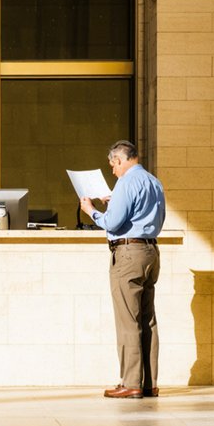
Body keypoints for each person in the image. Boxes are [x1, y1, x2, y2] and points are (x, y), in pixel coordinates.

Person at [79, 140, 166, 399]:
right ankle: (148, 383)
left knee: (128, 320)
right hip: (151, 251)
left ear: (119, 160)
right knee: (147, 320)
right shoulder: (153, 181)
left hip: (128, 253)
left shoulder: (126, 182)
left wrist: (92, 211)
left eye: (112, 166)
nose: (112, 171)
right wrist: (113, 202)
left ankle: (131, 383)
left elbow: (114, 223)